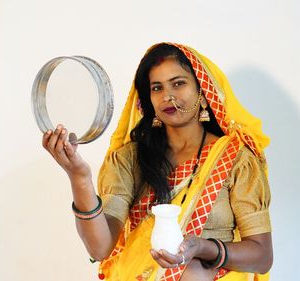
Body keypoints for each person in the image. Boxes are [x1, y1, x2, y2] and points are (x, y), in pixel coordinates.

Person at [42, 42, 273, 281]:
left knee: (192, 272)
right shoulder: (129, 158)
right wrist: (79, 177)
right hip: (137, 274)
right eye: (157, 88)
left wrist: (202, 248)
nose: (167, 96)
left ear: (203, 91)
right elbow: (100, 248)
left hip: (209, 276)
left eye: (178, 83)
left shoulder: (236, 158)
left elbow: (262, 256)